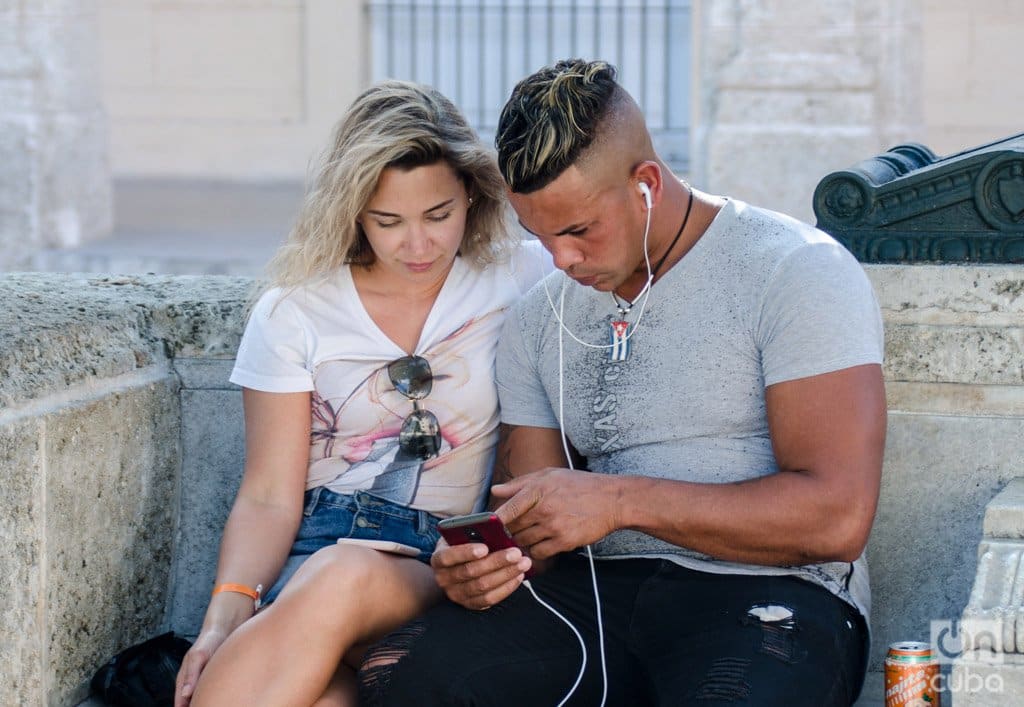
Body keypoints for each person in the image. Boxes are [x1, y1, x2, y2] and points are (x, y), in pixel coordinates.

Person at [358, 59, 887, 706]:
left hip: (772, 594)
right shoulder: (539, 317)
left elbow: (836, 518)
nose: (561, 260)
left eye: (579, 230)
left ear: (646, 185)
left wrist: (618, 501)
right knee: (400, 674)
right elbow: (533, 532)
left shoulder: (795, 271)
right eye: (540, 235)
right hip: (595, 598)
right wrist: (485, 566)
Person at [173, 80, 549, 707]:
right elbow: (268, 496)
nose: (419, 244)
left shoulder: (520, 275)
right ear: (353, 212)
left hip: (440, 560)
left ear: (472, 197)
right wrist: (222, 619)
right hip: (312, 558)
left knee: (341, 576)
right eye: (389, 221)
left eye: (439, 215)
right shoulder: (294, 310)